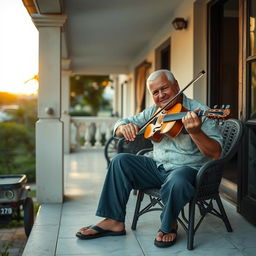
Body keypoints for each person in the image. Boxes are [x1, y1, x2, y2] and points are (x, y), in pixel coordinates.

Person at [76, 69, 223, 247]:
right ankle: (114, 221)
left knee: (177, 180)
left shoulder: (201, 111)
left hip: (186, 170)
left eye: (164, 88)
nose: (161, 95)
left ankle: (169, 224)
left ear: (176, 85)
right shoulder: (155, 111)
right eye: (155, 92)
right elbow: (119, 125)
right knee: (120, 161)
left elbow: (216, 152)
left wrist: (196, 132)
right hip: (156, 166)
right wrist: (123, 128)